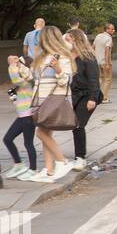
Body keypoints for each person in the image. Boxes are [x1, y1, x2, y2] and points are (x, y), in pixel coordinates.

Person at [27, 27, 75, 183]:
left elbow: (66, 81)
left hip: (54, 99)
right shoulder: (41, 57)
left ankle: (62, 161)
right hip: (41, 99)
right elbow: (35, 79)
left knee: (40, 133)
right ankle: (49, 170)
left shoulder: (62, 57)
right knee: (46, 134)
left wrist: (58, 69)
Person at [65, 28, 102, 171]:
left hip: (87, 95)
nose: (66, 42)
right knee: (74, 125)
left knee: (78, 124)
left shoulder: (88, 57)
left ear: (76, 40)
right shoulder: (67, 56)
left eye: (68, 39)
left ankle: (80, 157)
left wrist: (93, 98)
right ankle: (78, 156)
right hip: (73, 95)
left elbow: (94, 79)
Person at [1, 55, 40, 181]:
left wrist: (13, 65)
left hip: (28, 116)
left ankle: (33, 169)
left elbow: (16, 80)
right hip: (22, 116)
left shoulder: (27, 80)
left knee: (28, 143)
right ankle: (19, 164)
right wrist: (14, 97)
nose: (17, 66)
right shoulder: (23, 83)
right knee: (7, 139)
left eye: (20, 64)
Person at [93, 23, 114, 102]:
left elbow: (93, 47)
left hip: (97, 61)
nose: (113, 30)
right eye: (111, 29)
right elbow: (107, 51)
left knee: (100, 79)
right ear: (107, 29)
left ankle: (96, 96)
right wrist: (108, 63)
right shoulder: (109, 38)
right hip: (105, 62)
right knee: (108, 79)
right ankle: (104, 98)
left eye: (113, 29)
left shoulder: (98, 36)